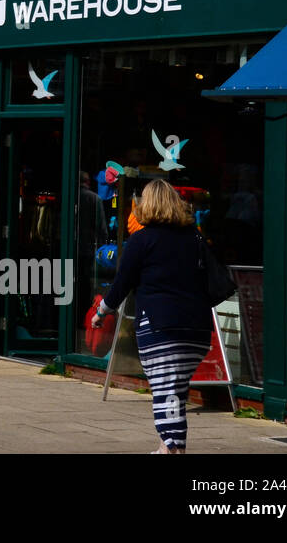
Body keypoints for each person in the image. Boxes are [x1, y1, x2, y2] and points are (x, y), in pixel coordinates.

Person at [92, 179, 212, 454]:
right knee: (175, 390)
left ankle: (173, 449)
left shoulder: (142, 239)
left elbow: (122, 283)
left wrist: (102, 313)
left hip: (162, 328)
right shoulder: (194, 237)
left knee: (166, 391)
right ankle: (164, 447)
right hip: (197, 330)